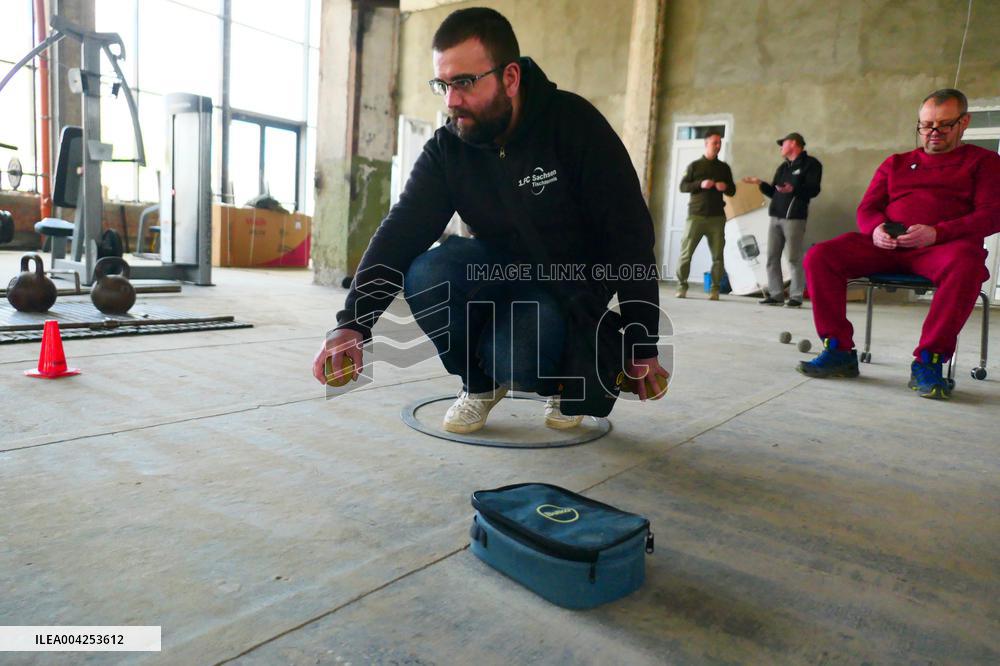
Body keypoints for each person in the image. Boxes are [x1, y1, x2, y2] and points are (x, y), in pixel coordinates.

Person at [311, 8, 667, 433]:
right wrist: (353, 323)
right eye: (443, 84)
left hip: (569, 284)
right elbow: (401, 232)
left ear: (510, 78)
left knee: (517, 354)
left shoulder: (574, 126)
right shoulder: (449, 149)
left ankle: (574, 366)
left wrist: (642, 342)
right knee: (428, 272)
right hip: (497, 269)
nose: (450, 100)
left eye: (463, 82)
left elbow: (628, 234)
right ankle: (478, 385)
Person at [798, 88, 1000, 399]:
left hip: (942, 249)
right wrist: (875, 229)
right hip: (885, 246)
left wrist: (937, 233)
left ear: (964, 122)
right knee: (820, 255)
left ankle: (928, 362)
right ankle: (838, 350)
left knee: (967, 264)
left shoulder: (984, 162)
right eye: (925, 125)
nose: (933, 132)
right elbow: (867, 208)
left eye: (943, 124)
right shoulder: (896, 163)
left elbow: (992, 214)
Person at [742, 132, 823, 307]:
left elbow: (813, 190)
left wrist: (793, 189)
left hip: (794, 218)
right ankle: (776, 294)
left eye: (783, 144)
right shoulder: (783, 168)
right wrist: (760, 184)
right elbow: (774, 192)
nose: (780, 147)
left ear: (793, 143)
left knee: (794, 258)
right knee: (772, 257)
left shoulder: (812, 164)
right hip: (775, 217)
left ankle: (795, 296)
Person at [675, 132, 735, 300]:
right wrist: (700, 184)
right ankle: (681, 286)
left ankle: (715, 289)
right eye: (714, 142)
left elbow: (732, 190)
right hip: (696, 216)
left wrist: (725, 187)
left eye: (719, 143)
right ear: (706, 143)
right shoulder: (695, 166)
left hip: (717, 218)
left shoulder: (724, 168)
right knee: (686, 254)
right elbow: (683, 186)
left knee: (718, 256)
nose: (718, 145)